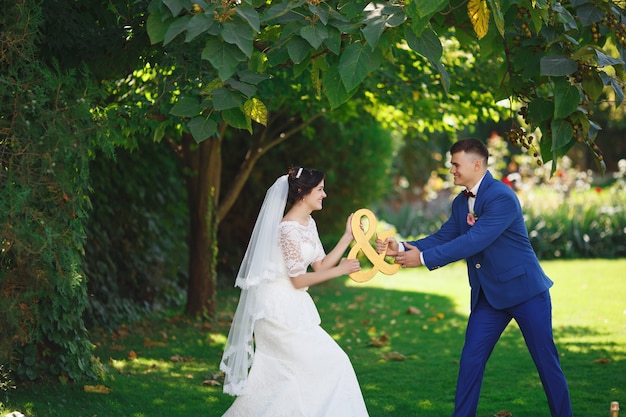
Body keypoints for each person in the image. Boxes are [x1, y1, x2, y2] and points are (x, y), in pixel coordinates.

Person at [376, 138, 572, 417]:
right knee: (470, 361)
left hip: (526, 293)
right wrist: (404, 246)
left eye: (456, 164)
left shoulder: (502, 197)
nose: (452, 170)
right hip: (489, 298)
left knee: (546, 364)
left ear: (476, 164)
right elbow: (443, 237)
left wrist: (421, 259)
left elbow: (473, 242)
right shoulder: (460, 203)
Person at [220, 166, 369, 417]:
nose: (325, 195)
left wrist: (347, 237)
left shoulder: (308, 223)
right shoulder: (287, 229)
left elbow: (320, 264)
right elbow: (298, 280)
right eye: (320, 190)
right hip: (276, 311)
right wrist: (342, 271)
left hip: (293, 308)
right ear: (302, 192)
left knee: (295, 377)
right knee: (334, 362)